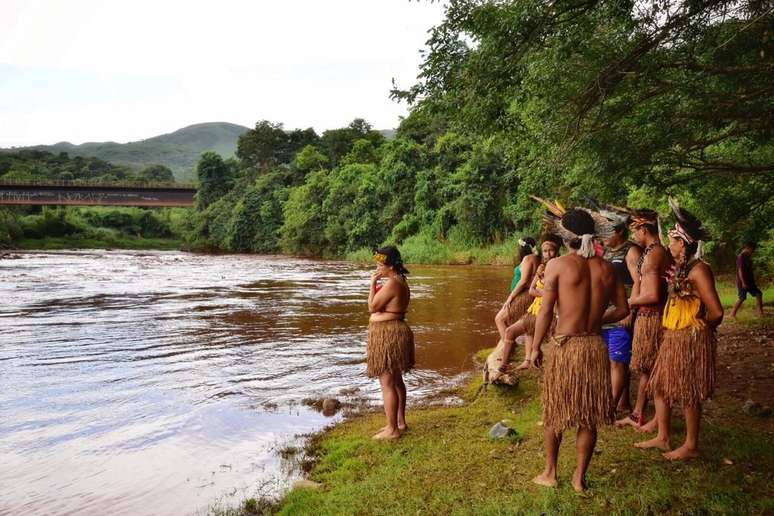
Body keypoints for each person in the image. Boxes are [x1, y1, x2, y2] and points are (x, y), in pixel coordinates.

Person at [529, 209, 629, 492]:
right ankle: (578, 479)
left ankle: (550, 473)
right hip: (594, 345)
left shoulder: (558, 265)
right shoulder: (607, 268)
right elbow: (623, 310)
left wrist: (535, 347)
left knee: (556, 410)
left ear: (566, 237)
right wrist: (597, 319)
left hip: (566, 346)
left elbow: (546, 311)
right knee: (588, 414)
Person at [635, 199, 723, 460]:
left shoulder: (699, 271)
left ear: (683, 244)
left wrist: (699, 334)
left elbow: (716, 312)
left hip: (689, 338)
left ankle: (691, 444)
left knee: (687, 391)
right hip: (672, 336)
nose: (669, 245)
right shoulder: (682, 269)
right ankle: (663, 437)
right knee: (660, 385)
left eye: (673, 240)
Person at [616, 209, 670, 432]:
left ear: (643, 229)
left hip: (652, 316)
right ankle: (641, 414)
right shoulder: (653, 251)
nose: (634, 236)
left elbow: (654, 294)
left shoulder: (654, 253)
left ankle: (643, 415)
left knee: (649, 367)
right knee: (647, 368)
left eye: (635, 230)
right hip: (649, 315)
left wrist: (629, 303)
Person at [367, 245, 414, 440]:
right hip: (395, 331)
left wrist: (372, 284)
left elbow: (372, 306)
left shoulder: (392, 283)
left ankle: (392, 429)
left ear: (390, 266)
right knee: (396, 381)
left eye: (381, 264)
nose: (378, 267)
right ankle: (400, 423)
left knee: (387, 382)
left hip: (389, 334)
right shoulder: (400, 280)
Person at [498, 235, 560, 374]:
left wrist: (545, 293)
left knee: (552, 342)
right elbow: (531, 290)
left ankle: (544, 365)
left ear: (557, 251)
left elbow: (559, 293)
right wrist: (546, 293)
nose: (548, 254)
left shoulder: (560, 267)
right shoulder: (541, 268)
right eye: (545, 251)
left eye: (551, 250)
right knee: (510, 331)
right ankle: (504, 366)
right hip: (535, 310)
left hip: (551, 313)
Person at [601, 221, 642, 414]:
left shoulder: (631, 251)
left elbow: (639, 282)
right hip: (606, 313)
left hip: (622, 312)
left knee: (618, 360)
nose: (603, 236)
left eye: (606, 232)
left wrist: (630, 310)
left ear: (619, 232)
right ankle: (623, 403)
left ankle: (610, 408)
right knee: (614, 360)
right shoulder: (606, 252)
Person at [495, 237, 539, 341]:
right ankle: (511, 344)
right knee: (516, 322)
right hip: (524, 294)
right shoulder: (536, 258)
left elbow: (523, 281)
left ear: (522, 248)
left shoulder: (528, 258)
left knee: (499, 319)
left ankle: (507, 348)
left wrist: (510, 298)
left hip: (523, 295)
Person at [731, 243, 764, 319]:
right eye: (752, 250)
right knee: (742, 297)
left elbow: (749, 270)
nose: (753, 251)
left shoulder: (747, 257)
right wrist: (743, 282)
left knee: (759, 294)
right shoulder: (741, 257)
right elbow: (740, 271)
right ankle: (732, 314)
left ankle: (760, 312)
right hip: (742, 281)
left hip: (749, 281)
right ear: (748, 248)